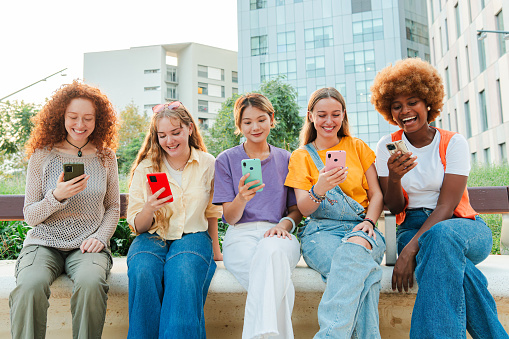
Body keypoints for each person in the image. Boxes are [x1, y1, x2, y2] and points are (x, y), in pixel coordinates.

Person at [371, 57, 509, 338]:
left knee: (442, 237)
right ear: (389, 111)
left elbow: (447, 206)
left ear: (428, 103)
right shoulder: (386, 146)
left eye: (412, 102)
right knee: (458, 271)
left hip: (464, 228)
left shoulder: (453, 142)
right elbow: (394, 207)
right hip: (411, 227)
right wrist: (394, 177)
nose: (405, 111)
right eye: (396, 106)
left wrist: (409, 250)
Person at [9, 81, 120, 339]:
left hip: (87, 244)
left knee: (92, 283)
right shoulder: (42, 155)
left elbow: (113, 207)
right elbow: (31, 215)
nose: (80, 125)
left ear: (98, 120)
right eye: (73, 117)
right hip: (44, 242)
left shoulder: (106, 156)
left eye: (88, 118)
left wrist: (100, 238)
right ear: (61, 117)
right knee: (29, 286)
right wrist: (57, 196)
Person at [285, 87, 386, 338]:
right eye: (321, 115)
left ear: (343, 116)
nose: (329, 121)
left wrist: (369, 222)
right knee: (365, 276)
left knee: (353, 258)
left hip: (361, 227)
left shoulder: (358, 147)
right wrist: (320, 187)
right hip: (320, 233)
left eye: (335, 114)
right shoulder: (300, 156)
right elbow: (304, 208)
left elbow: (377, 195)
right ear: (310, 116)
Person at [126, 101, 222, 339]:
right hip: (151, 236)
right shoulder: (146, 167)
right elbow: (139, 227)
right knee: (142, 270)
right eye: (162, 135)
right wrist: (149, 207)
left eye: (176, 132)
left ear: (190, 129)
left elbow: (211, 212)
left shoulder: (208, 163)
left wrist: (216, 250)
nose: (169, 140)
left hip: (193, 236)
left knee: (183, 272)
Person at [213, 93, 302, 339]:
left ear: (271, 119)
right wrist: (241, 197)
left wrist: (284, 226)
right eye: (247, 122)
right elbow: (230, 219)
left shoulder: (286, 158)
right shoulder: (226, 160)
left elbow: (296, 210)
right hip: (239, 235)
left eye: (261, 120)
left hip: (278, 231)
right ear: (239, 126)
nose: (255, 127)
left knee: (271, 251)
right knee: (277, 285)